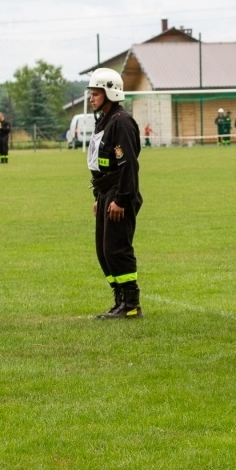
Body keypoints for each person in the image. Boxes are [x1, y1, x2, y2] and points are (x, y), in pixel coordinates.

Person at [87, 68, 144, 319]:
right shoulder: (105, 120)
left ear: (111, 93)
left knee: (117, 249)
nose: (91, 98)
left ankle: (131, 304)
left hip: (119, 192)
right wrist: (98, 198)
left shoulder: (121, 121)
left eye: (96, 93)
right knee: (104, 251)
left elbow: (128, 164)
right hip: (105, 192)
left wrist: (120, 199)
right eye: (91, 93)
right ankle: (120, 299)